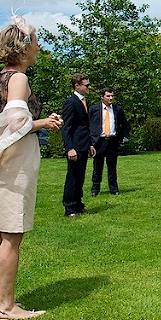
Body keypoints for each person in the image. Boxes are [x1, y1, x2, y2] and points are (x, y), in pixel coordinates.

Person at [0, 15, 62, 320]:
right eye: (36, 42)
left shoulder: (1, 78)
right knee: (12, 233)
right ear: (24, 48)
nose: (39, 47)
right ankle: (6, 307)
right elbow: (16, 124)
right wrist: (43, 122)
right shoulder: (20, 79)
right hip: (14, 161)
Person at [62, 73, 96, 218]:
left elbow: (84, 126)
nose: (89, 87)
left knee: (80, 176)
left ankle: (78, 203)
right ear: (77, 86)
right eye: (86, 85)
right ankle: (69, 208)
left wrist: (90, 144)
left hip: (83, 144)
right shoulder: (71, 102)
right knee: (73, 177)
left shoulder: (83, 101)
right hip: (75, 146)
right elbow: (67, 127)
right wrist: (70, 148)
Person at [89, 87, 129, 196]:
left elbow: (124, 124)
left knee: (112, 166)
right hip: (99, 141)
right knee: (97, 167)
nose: (110, 98)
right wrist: (91, 141)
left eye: (112, 96)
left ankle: (114, 189)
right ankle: (95, 189)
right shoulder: (94, 109)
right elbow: (89, 125)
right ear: (102, 97)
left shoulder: (117, 109)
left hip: (112, 140)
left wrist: (121, 137)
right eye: (108, 96)